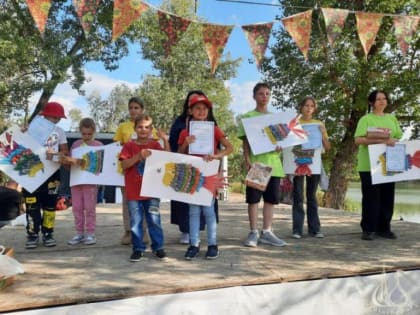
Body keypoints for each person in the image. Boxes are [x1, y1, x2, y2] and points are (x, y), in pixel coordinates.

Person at [178, 94, 233, 260]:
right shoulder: (184, 132)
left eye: (204, 108)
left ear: (208, 111)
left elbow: (229, 148)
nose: (201, 111)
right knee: (193, 211)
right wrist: (186, 142)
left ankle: (212, 244)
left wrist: (216, 156)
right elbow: (179, 154)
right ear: (191, 111)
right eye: (197, 108)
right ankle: (194, 244)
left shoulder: (214, 129)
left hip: (209, 173)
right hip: (192, 174)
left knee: (209, 211)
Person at [237, 82, 286, 248]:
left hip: (274, 165)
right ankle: (253, 232)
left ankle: (267, 232)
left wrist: (280, 147)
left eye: (267, 94)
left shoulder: (276, 119)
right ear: (254, 96)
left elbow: (280, 142)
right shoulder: (248, 117)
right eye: (261, 94)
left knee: (270, 201)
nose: (264, 97)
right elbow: (245, 143)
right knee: (253, 200)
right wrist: (247, 160)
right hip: (257, 165)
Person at [119, 114, 170, 262]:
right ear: (135, 128)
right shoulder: (129, 146)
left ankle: (158, 247)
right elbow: (123, 165)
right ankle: (138, 248)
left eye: (147, 127)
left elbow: (167, 157)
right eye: (140, 126)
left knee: (154, 220)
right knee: (135, 222)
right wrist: (138, 156)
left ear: (151, 129)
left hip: (152, 192)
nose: (143, 129)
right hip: (134, 193)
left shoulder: (154, 145)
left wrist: (165, 139)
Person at [354, 90, 402, 241]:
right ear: (371, 102)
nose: (382, 101)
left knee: (388, 197)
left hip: (388, 163)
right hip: (368, 165)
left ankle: (384, 228)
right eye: (378, 99)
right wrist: (382, 141)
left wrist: (393, 141)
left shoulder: (392, 119)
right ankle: (368, 229)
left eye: (384, 98)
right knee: (371, 198)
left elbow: (397, 137)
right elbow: (358, 140)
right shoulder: (365, 119)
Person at [23, 101, 69, 248]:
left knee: (50, 206)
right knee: (32, 206)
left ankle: (48, 233)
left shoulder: (60, 132)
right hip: (31, 173)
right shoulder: (31, 129)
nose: (55, 120)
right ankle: (32, 235)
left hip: (52, 174)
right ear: (44, 116)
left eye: (58, 118)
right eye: (53, 117)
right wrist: (21, 134)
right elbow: (18, 148)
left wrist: (55, 154)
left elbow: (65, 153)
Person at [169, 90, 212, 244]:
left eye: (203, 105)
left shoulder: (211, 123)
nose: (200, 110)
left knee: (204, 199)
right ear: (188, 105)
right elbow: (174, 144)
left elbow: (218, 146)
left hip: (205, 165)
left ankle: (203, 233)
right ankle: (185, 230)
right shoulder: (180, 123)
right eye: (193, 102)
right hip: (185, 166)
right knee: (184, 198)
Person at [114, 97, 157, 245]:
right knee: (128, 203)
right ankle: (128, 232)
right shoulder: (123, 127)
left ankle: (143, 232)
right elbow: (116, 145)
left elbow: (156, 146)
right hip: (126, 170)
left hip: (145, 172)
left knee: (144, 203)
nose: (133, 110)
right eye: (131, 107)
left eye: (136, 107)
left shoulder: (149, 126)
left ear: (142, 110)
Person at [291, 96, 331, 239]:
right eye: (306, 105)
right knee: (298, 196)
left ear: (315, 109)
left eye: (311, 106)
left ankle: (315, 229)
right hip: (298, 161)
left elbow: (327, 147)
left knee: (312, 196)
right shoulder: (294, 123)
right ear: (301, 107)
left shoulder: (319, 124)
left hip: (314, 163)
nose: (308, 108)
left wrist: (323, 134)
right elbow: (288, 144)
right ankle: (297, 230)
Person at [63, 118, 103, 245]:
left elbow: (101, 166)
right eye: (84, 133)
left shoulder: (99, 145)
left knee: (90, 208)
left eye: (89, 134)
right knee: (77, 208)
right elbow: (69, 163)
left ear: (94, 132)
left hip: (90, 183)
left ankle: (90, 233)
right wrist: (68, 161)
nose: (86, 136)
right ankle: (79, 233)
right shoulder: (75, 145)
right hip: (76, 182)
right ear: (80, 131)